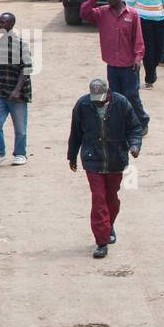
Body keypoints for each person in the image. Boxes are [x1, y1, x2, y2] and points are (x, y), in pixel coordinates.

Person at [68, 78, 141, 258]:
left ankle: (109, 224)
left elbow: (134, 128)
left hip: (116, 159)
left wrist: (134, 145)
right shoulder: (83, 105)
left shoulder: (122, 104)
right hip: (93, 160)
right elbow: (75, 133)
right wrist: (72, 155)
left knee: (111, 199)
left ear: (108, 93)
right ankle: (101, 241)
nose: (98, 101)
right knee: (99, 199)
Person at [80, 0, 148, 134]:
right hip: (112, 63)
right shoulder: (102, 12)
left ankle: (142, 121)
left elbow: (138, 38)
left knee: (132, 95)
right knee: (116, 97)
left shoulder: (133, 15)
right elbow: (84, 13)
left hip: (129, 64)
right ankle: (122, 124)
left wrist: (138, 57)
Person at [0, 12, 33, 168]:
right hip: (1, 92)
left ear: (11, 24)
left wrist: (17, 90)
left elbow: (27, 70)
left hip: (18, 94)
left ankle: (20, 154)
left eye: (3, 22)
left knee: (20, 127)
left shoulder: (21, 45)